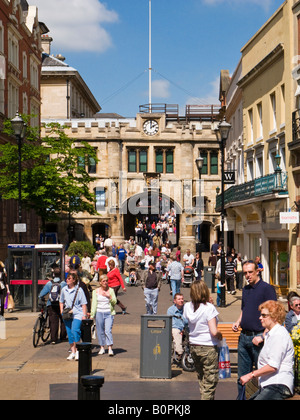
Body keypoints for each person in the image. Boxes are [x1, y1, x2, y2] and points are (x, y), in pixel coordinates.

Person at [232, 260, 277, 394]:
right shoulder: (245, 289)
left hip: (258, 338)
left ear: (258, 271)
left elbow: (274, 316)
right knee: (242, 376)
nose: (248, 275)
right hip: (244, 337)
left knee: (262, 376)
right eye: (245, 273)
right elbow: (244, 309)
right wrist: (238, 321)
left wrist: (263, 336)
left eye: (250, 272)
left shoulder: (267, 288)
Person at [240, 300, 294, 400]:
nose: (260, 318)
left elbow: (273, 366)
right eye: (261, 315)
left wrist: (251, 375)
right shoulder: (271, 334)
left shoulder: (279, 335)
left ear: (275, 317)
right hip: (270, 384)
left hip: (279, 384)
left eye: (264, 315)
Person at [183, 281, 223, 400]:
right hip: (208, 347)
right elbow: (214, 331)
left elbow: (188, 322)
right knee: (210, 381)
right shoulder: (209, 308)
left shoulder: (187, 306)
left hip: (194, 345)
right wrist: (220, 335)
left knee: (202, 378)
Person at [59, 272, 88, 360]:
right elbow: (61, 301)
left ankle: (78, 350)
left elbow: (84, 304)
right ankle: (73, 351)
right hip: (67, 314)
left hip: (77, 313)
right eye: (67, 278)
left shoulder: (79, 290)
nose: (67, 280)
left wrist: (84, 315)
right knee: (70, 333)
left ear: (74, 280)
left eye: (69, 278)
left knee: (75, 330)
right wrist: (62, 312)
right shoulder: (64, 289)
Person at [90, 274, 117, 357]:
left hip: (108, 313)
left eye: (106, 281)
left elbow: (114, 302)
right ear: (100, 282)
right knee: (100, 331)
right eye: (103, 281)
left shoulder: (111, 290)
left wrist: (109, 297)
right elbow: (94, 303)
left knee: (108, 330)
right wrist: (92, 314)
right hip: (99, 312)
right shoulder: (96, 291)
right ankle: (102, 347)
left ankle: (109, 348)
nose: (105, 283)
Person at [39, 267, 67, 344]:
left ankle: (54, 339)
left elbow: (41, 294)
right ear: (61, 274)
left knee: (53, 321)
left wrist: (41, 298)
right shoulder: (63, 283)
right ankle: (63, 336)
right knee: (63, 320)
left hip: (51, 304)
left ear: (53, 274)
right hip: (61, 304)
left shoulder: (49, 283)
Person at [167, 293, 188, 361]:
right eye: (179, 299)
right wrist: (181, 330)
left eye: (182, 299)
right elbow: (173, 324)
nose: (181, 300)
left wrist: (184, 329)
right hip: (177, 328)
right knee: (176, 332)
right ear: (175, 301)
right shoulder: (171, 310)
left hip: (186, 328)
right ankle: (180, 353)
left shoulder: (187, 309)